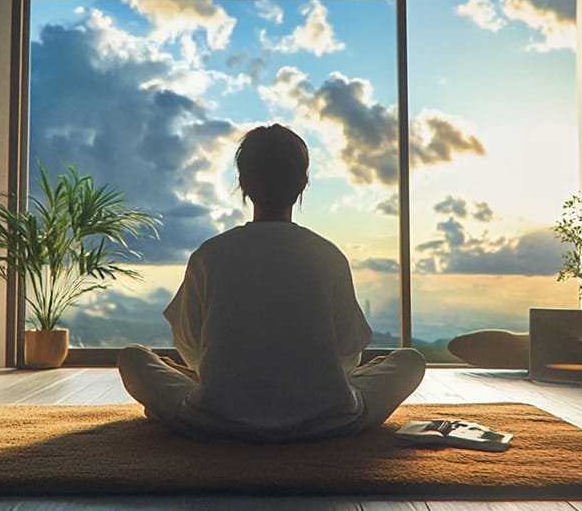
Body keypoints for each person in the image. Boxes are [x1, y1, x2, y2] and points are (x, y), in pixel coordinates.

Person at [117, 124, 425, 442]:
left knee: (132, 357)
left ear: (243, 183)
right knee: (410, 361)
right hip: (328, 419)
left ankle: (181, 398)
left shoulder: (209, 255)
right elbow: (348, 350)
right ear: (303, 183)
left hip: (214, 419)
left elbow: (192, 348)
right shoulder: (328, 255)